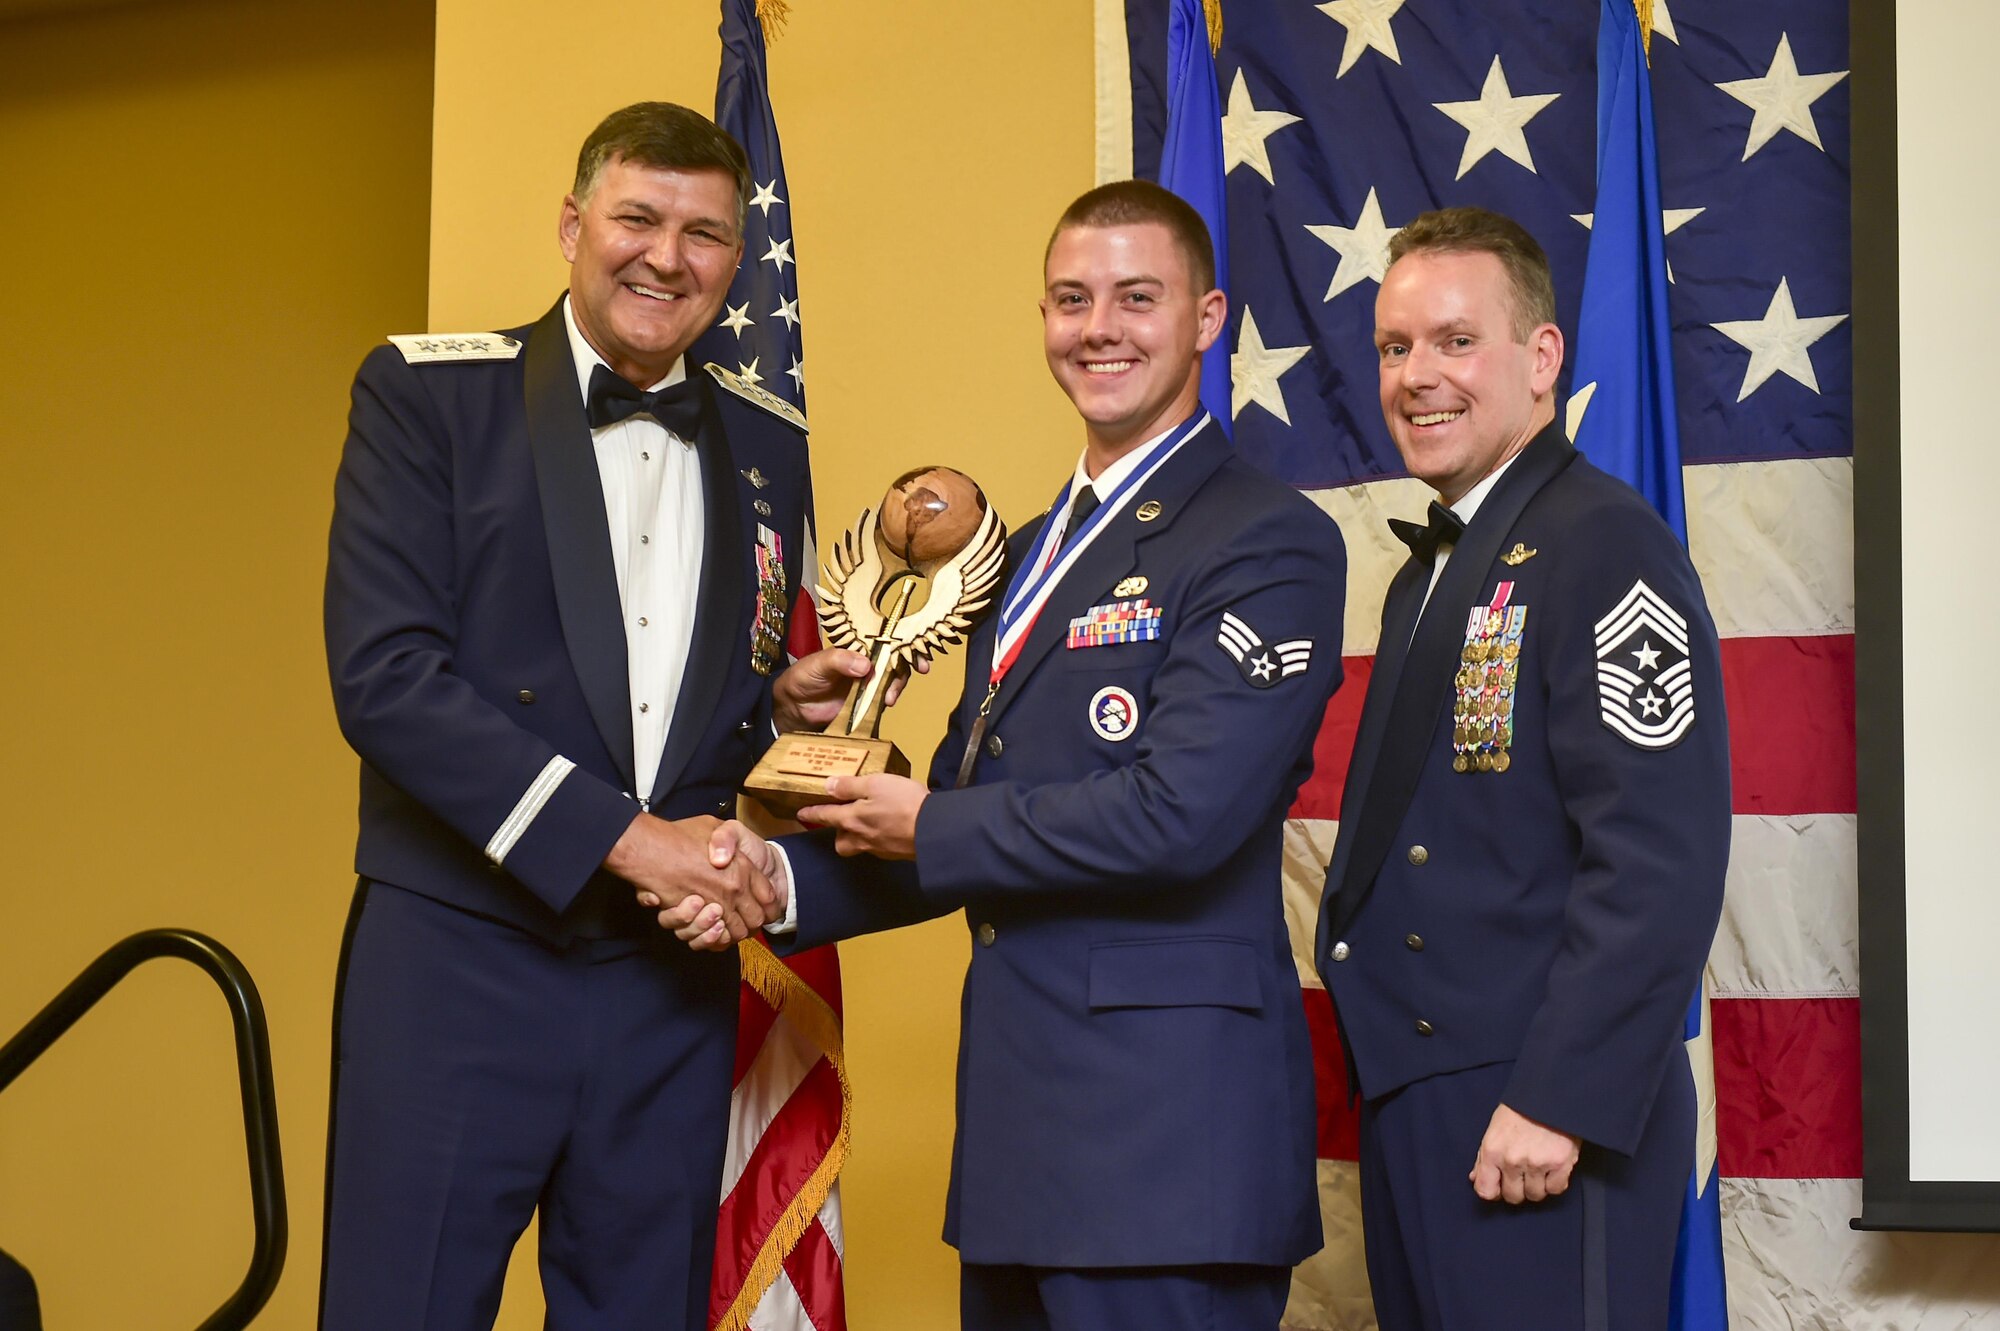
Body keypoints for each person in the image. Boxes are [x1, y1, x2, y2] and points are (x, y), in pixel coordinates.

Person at [670, 179, 1346, 1331]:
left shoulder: (1267, 538)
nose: (1099, 328)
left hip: (1168, 1154)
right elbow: (957, 814)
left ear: (1207, 318)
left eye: (1138, 298)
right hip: (1020, 1148)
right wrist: (768, 879)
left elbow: (1178, 812)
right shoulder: (1025, 555)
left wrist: (927, 823)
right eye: (1071, 299)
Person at [321, 101, 871, 1330]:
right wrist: (636, 841)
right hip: (460, 958)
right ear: (572, 224)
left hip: (661, 981)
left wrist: (774, 706)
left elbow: (692, 704)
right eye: (636, 217)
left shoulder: (766, 444)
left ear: (737, 256)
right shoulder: (428, 397)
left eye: (705, 234)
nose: (666, 258)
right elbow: (387, 679)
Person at [1313, 207, 1730, 1331]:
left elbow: (1658, 856)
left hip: (1538, 1106)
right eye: (1395, 347)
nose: (1415, 376)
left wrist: (1560, 1096)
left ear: (1541, 359)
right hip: (1430, 1101)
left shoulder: (1602, 541)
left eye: (1455, 341)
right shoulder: (1438, 568)